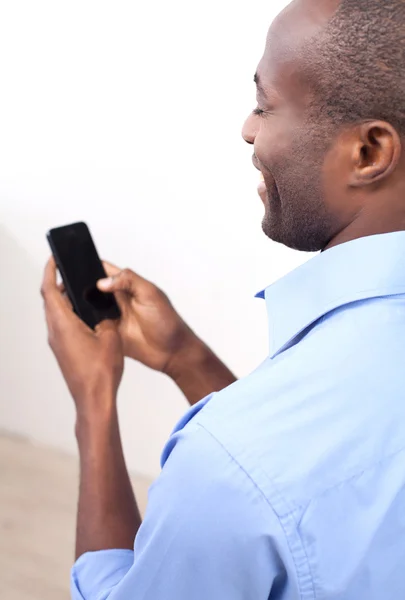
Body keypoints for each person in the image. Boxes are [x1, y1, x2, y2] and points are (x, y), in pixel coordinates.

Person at [41, 0, 405, 598]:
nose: (248, 128)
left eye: (265, 103)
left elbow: (262, 481)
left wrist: (94, 402)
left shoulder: (227, 466)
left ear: (368, 152)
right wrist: (187, 357)